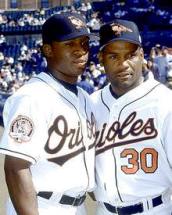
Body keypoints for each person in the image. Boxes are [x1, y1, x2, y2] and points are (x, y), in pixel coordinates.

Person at [0, 12, 96, 215]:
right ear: (48, 50)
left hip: (78, 207)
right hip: (43, 206)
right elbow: (16, 168)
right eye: (70, 44)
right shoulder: (32, 97)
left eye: (84, 43)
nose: (81, 51)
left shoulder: (85, 98)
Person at [91, 19, 172, 215]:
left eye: (131, 55)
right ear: (101, 59)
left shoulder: (165, 102)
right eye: (113, 56)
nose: (123, 63)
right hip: (104, 210)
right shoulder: (90, 105)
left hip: (155, 209)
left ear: (142, 55)